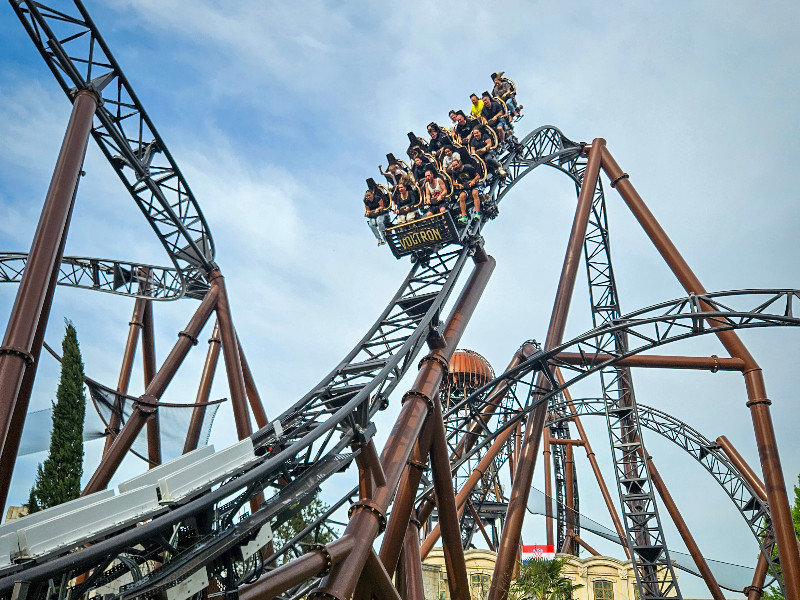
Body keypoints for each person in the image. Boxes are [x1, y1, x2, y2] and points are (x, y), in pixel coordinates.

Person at [449, 157, 482, 223]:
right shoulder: (454, 172)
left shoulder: (468, 167)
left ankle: (477, 212)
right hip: (465, 187)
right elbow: (453, 182)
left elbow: (478, 176)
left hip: (474, 185)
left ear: (459, 163)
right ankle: (464, 216)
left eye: (456, 165)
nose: (455, 167)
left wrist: (473, 181)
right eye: (454, 166)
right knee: (461, 197)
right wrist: (458, 185)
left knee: (474, 193)